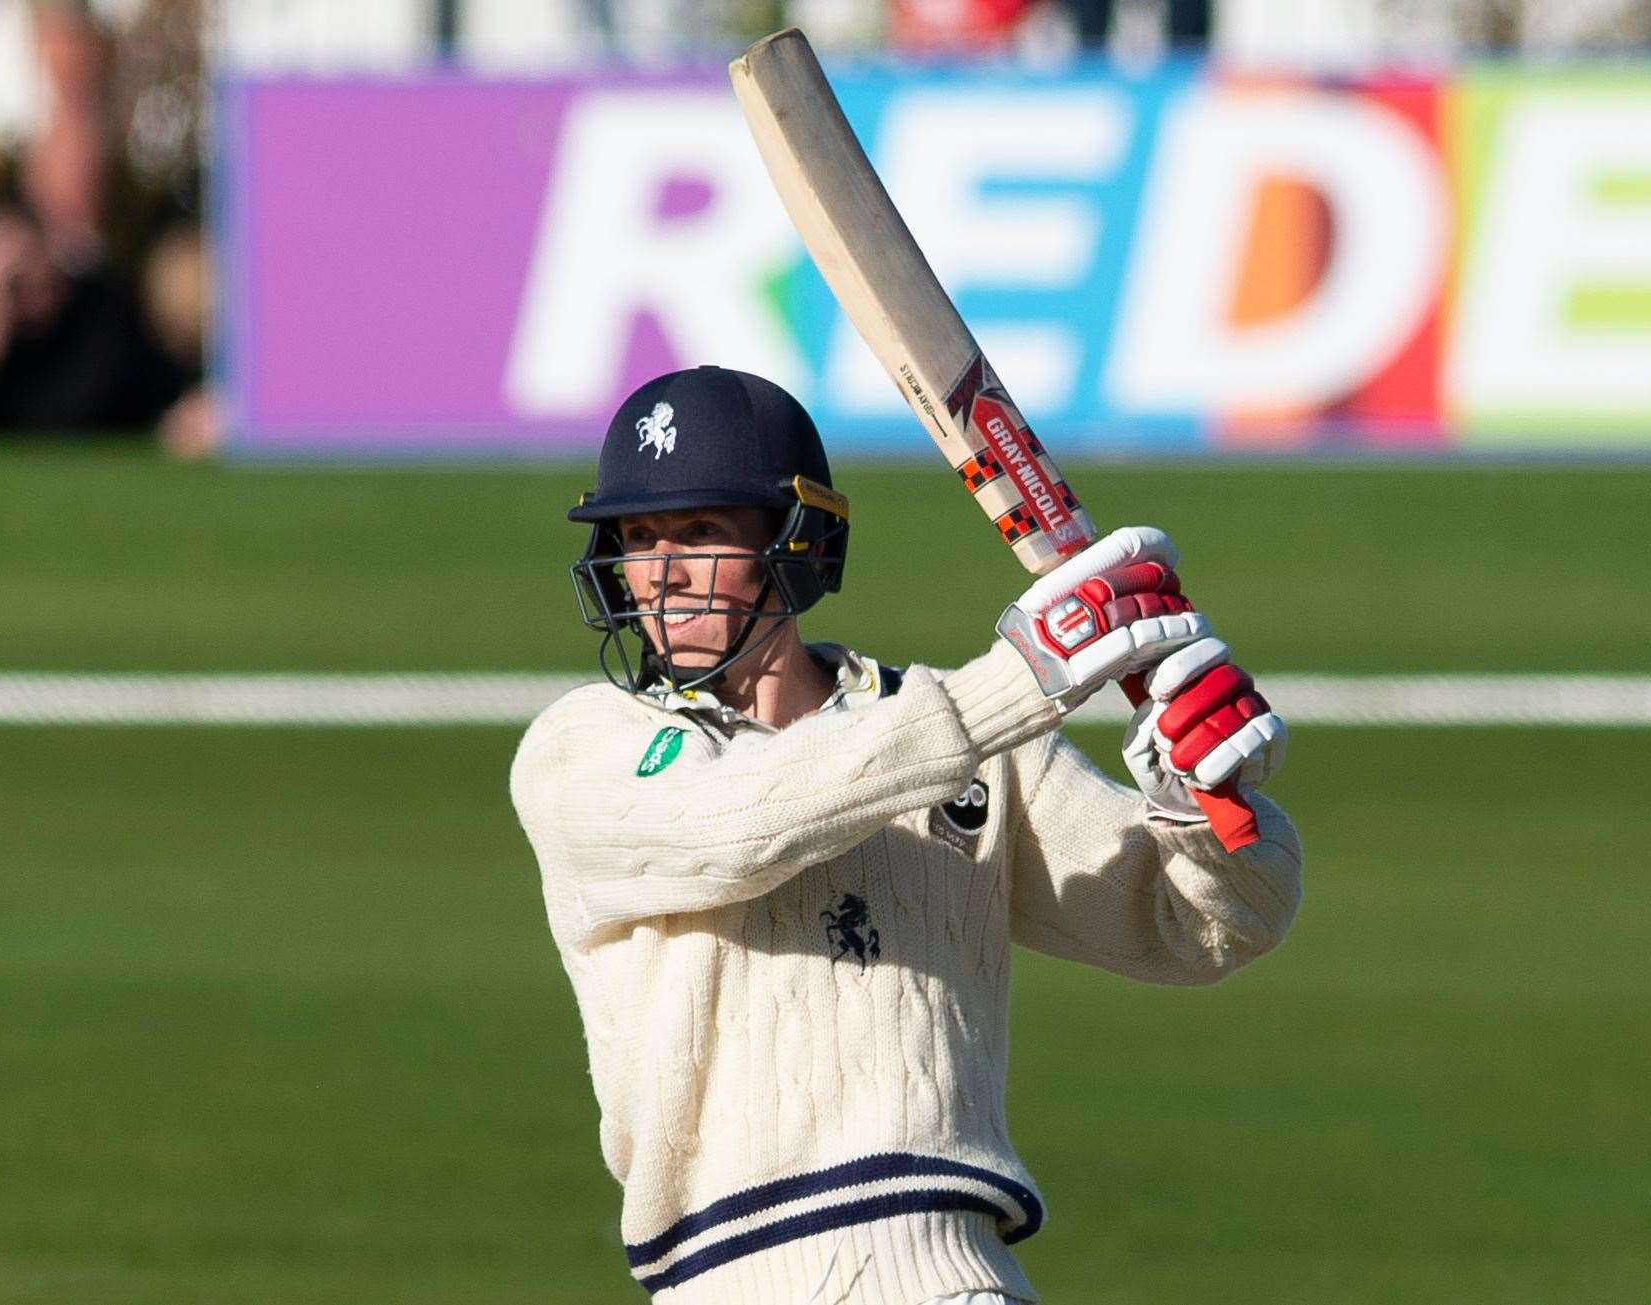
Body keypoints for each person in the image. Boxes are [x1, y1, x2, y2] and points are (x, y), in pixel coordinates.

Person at [510, 365, 1303, 1304]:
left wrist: (1198, 802)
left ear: (796, 546)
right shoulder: (583, 746)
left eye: (701, 532)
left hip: (947, 1278)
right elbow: (739, 826)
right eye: (640, 537)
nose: (662, 571)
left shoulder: (970, 745)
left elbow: (1201, 929)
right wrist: (1022, 678)